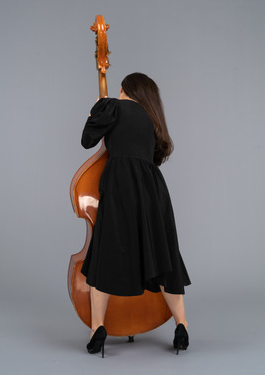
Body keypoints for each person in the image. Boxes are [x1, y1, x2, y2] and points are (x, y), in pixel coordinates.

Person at [80, 72, 191, 357]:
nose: (117, 94)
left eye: (120, 89)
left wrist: (96, 111)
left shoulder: (113, 107)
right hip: (153, 191)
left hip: (120, 188)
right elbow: (153, 156)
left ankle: (97, 329)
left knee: (105, 255)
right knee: (162, 255)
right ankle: (182, 325)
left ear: (128, 90)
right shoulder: (153, 118)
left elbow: (87, 140)